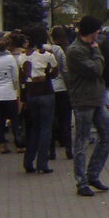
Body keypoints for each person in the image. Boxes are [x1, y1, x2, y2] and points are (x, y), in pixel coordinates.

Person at [66, 15, 109, 197]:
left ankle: (93, 174)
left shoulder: (90, 47)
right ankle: (81, 181)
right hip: (83, 100)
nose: (98, 35)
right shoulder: (75, 51)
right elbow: (95, 69)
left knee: (107, 135)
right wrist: (96, 52)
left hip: (97, 97)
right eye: (96, 32)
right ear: (89, 32)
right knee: (82, 141)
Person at [19, 25, 58, 175]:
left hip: (31, 93)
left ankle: (28, 161)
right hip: (45, 91)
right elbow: (55, 72)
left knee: (34, 127)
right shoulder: (47, 54)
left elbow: (21, 77)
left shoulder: (23, 56)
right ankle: (42, 163)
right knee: (45, 128)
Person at [0, 34, 21, 153]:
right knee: (14, 119)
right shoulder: (10, 58)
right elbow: (15, 76)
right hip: (9, 92)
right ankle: (19, 143)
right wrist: (16, 89)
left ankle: (2, 145)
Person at [48, 25, 73, 159]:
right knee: (66, 120)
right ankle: (68, 149)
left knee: (51, 120)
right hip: (62, 88)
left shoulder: (46, 49)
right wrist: (70, 87)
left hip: (48, 89)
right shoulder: (63, 50)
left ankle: (51, 150)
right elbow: (65, 70)